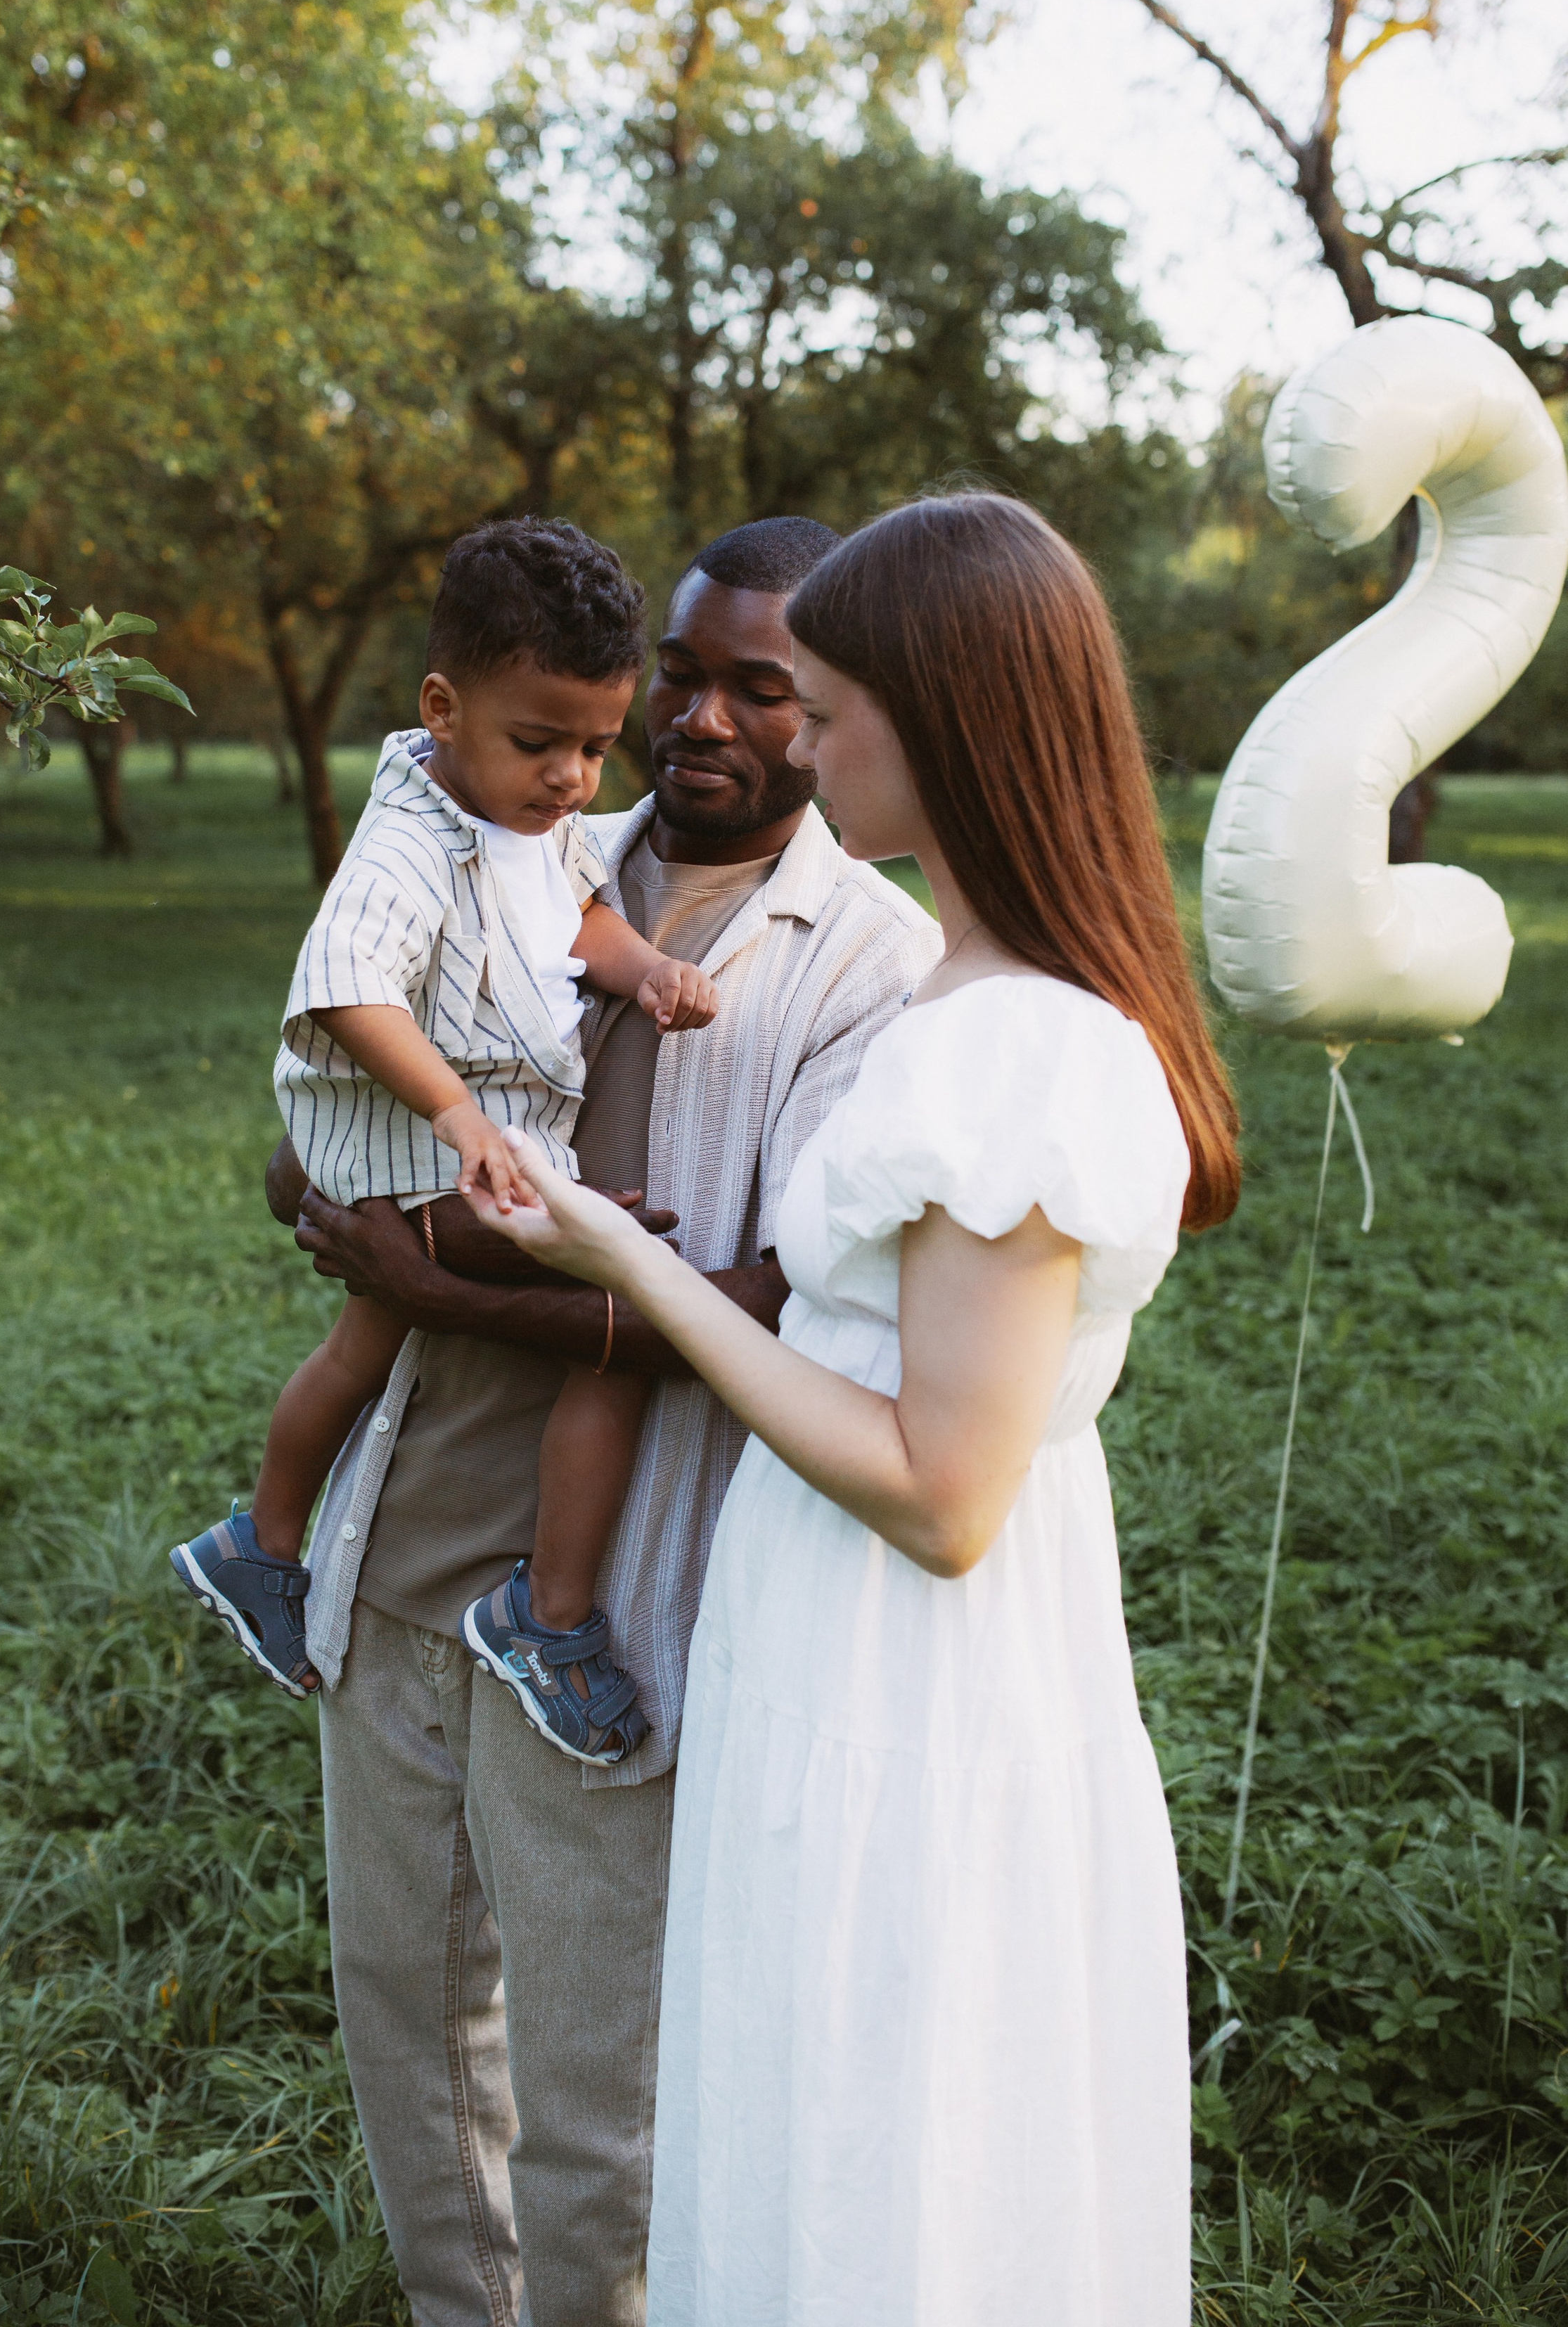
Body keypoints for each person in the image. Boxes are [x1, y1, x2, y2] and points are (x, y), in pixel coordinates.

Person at [458, 493, 1242, 2327]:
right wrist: (588, 1225)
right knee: (823, 2133)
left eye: (821, 700)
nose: (797, 739)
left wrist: (631, 1275)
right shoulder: (994, 1001)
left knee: (892, 2162)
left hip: (909, 1677)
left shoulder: (1008, 1048)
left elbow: (943, 1486)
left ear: (937, 717)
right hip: (845, 1661)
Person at [288, 516, 940, 2327]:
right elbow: (326, 1114)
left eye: (768, 690)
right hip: (412, 1519)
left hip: (620, 1587)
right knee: (405, 2023)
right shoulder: (510, 834)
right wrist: (347, 1194)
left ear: (835, 713)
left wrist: (434, 1284)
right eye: (684, 671)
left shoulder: (865, 961)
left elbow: (786, 1306)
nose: (703, 720)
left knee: (597, 2096)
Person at [170, 520, 719, 1759]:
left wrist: (647, 972)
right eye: (540, 744)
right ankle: (548, 1615)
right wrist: (459, 1114)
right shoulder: (411, 840)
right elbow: (349, 986)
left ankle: (257, 1544)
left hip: (451, 1160)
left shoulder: (531, 820)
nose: (573, 778)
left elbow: (574, 913)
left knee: (361, 1352)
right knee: (619, 1315)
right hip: (413, 1158)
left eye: (593, 746)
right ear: (444, 707)